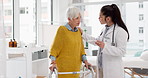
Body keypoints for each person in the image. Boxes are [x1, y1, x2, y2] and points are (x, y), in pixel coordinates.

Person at [80, 4, 129, 78]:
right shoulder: (104, 29)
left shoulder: (120, 31)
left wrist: (105, 46)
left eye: (100, 16)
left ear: (108, 19)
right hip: (101, 67)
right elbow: (97, 41)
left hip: (112, 70)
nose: (98, 18)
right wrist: (83, 34)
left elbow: (122, 51)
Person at [49, 7, 91, 78]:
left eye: (80, 18)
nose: (79, 20)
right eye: (77, 18)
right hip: (64, 70)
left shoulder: (78, 31)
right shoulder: (62, 30)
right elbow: (54, 49)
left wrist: (86, 61)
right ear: (69, 19)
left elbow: (81, 50)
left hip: (76, 70)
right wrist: (53, 63)